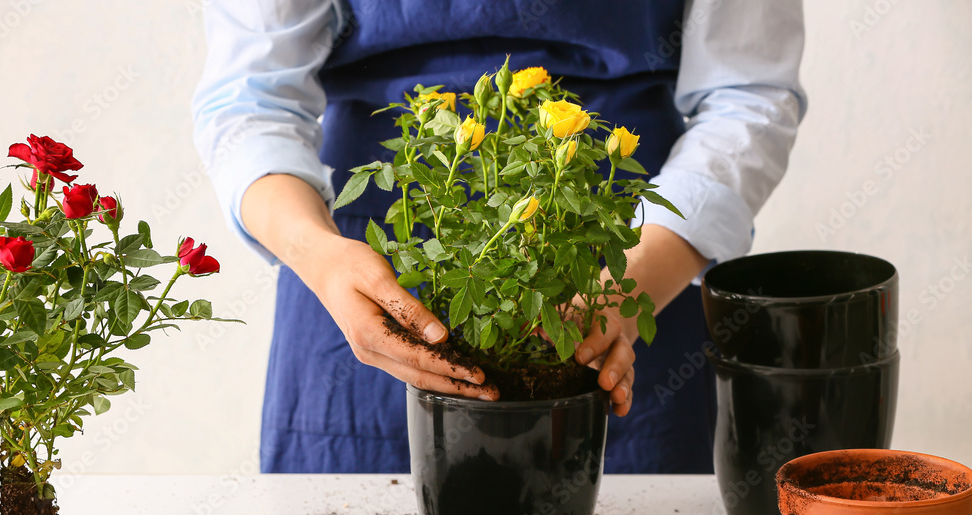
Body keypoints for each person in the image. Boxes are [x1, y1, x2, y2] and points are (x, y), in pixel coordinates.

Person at [192, 0, 806, 474]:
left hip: (620, 254)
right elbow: (250, 100)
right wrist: (314, 251)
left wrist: (633, 280)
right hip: (367, 257)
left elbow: (748, 96)